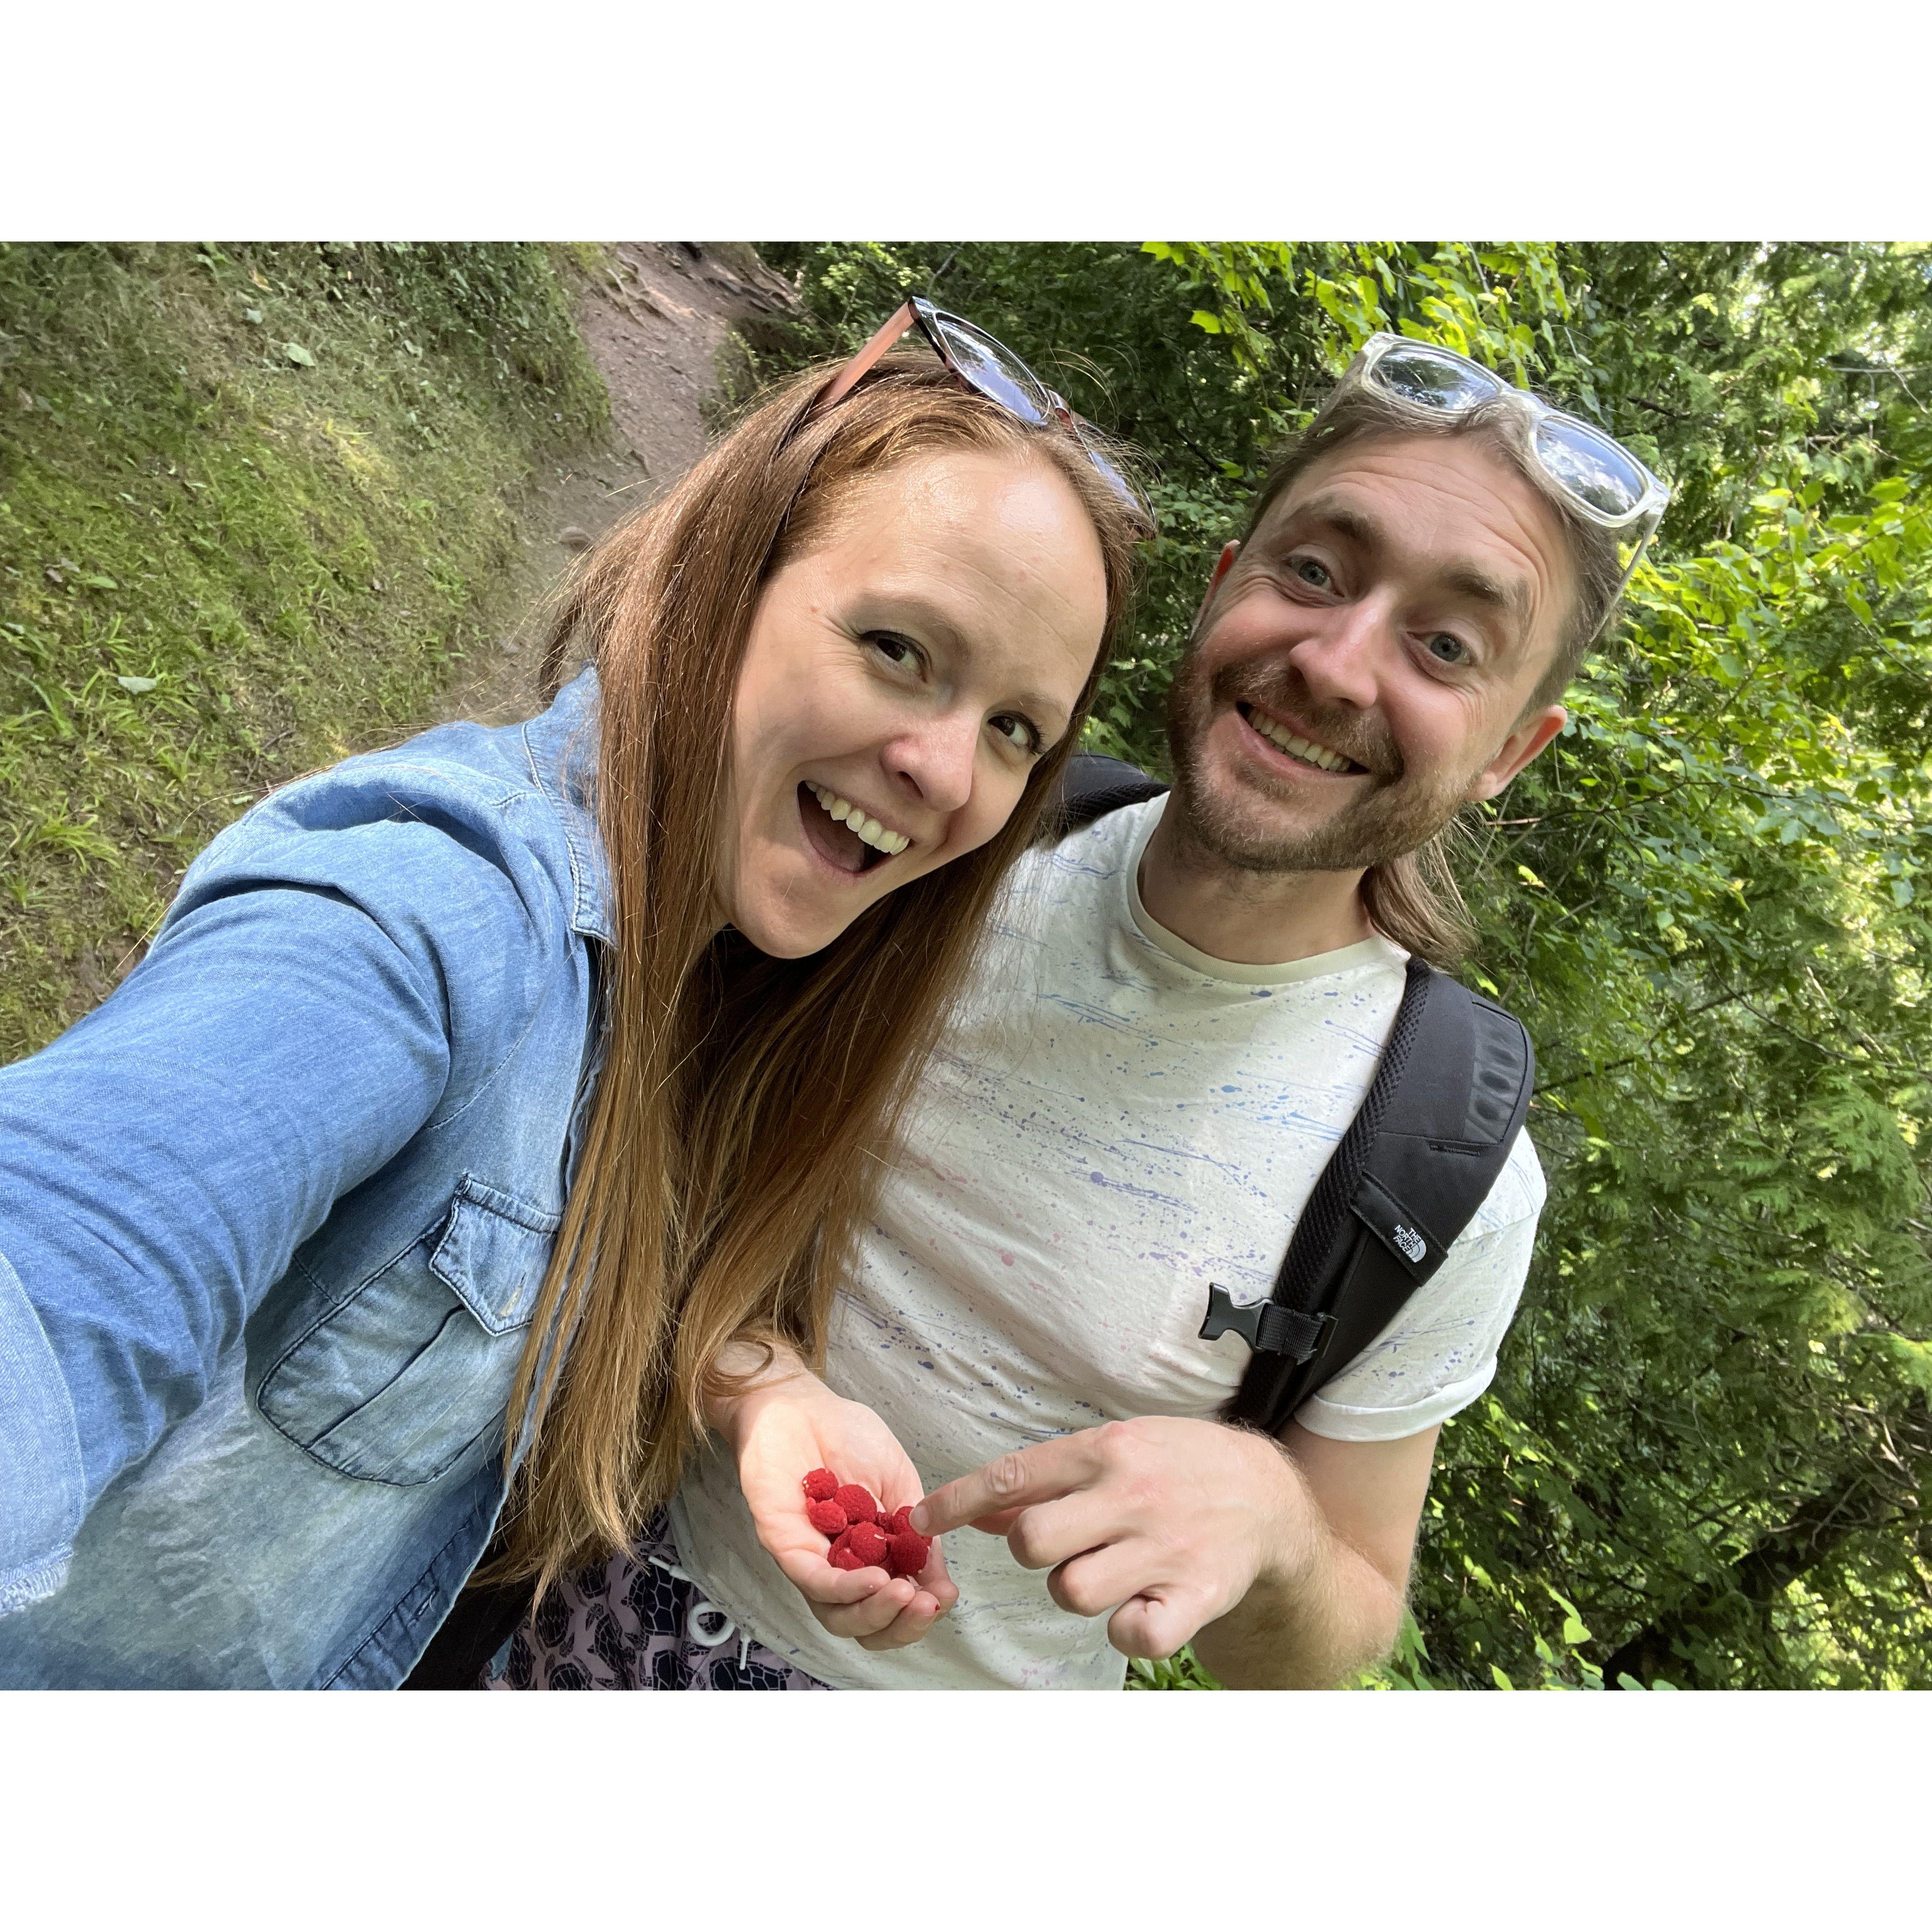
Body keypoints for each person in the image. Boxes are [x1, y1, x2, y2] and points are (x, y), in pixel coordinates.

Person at [494, 333, 1668, 1690]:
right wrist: (751, 1378)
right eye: (1313, 570)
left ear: (1512, 750)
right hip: (564, 1580)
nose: (1339, 663)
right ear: (1223, 588)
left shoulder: (1441, 1165)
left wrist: (1280, 1527)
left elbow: (1331, 1633)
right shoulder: (934, 834)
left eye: (1448, 645)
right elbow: (645, 1131)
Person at [0, 320, 1151, 1688]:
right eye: (899, 648)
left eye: (1018, 728)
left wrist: (758, 1383)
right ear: (728, 578)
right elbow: (65, 1271)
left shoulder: (724, 972)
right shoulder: (436, 914)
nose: (948, 771)